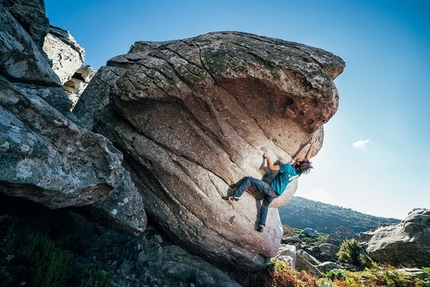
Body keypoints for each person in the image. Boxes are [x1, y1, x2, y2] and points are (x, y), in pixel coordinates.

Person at [225, 142, 314, 232]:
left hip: (270, 189)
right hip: (276, 194)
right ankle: (261, 225)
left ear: (299, 162)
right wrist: (311, 147)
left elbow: (271, 167)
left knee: (248, 180)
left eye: (301, 159)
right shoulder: (298, 174)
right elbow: (306, 160)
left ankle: (235, 196)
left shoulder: (287, 168)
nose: (302, 158)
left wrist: (267, 157)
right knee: (265, 206)